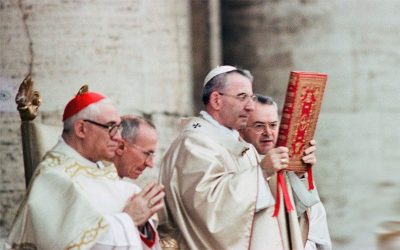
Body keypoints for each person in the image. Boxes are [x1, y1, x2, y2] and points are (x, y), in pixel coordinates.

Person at [6, 87, 164, 250]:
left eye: (118, 128)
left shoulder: (102, 170)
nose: (118, 138)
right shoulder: (54, 178)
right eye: (111, 127)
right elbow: (71, 245)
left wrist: (144, 218)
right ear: (81, 129)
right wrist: (129, 220)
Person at [158, 65, 287, 249]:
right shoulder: (193, 145)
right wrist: (262, 171)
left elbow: (271, 201)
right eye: (242, 97)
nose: (250, 107)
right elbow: (210, 209)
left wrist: (297, 169)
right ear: (216, 100)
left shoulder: (242, 146)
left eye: (251, 98)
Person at [240, 94, 332, 250]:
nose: (268, 132)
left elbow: (314, 225)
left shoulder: (287, 162)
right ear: (242, 129)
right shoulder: (238, 165)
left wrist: (300, 174)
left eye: (273, 125)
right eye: (259, 126)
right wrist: (263, 172)